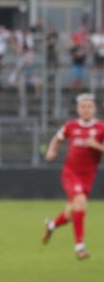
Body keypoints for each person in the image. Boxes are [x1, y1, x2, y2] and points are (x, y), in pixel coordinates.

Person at [42, 93, 104, 260]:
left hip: (88, 176)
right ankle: (80, 247)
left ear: (94, 109)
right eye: (82, 107)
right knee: (81, 202)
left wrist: (96, 145)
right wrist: (51, 150)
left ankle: (51, 225)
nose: (86, 110)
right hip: (71, 173)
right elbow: (57, 139)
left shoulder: (101, 128)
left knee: (71, 213)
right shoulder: (70, 126)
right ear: (78, 109)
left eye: (89, 106)